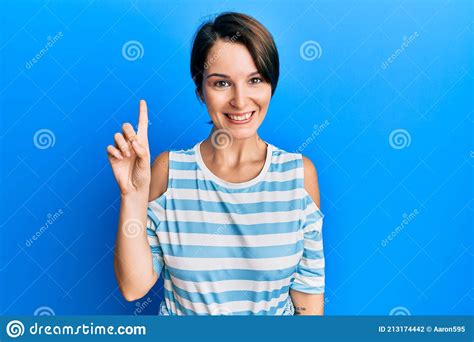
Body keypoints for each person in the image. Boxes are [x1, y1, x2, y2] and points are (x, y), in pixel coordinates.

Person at [107, 12, 325, 315]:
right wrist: (132, 195)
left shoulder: (298, 175)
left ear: (271, 85)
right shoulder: (168, 171)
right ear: (200, 91)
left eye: (255, 80)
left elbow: (308, 305)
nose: (240, 100)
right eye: (222, 83)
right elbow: (134, 287)